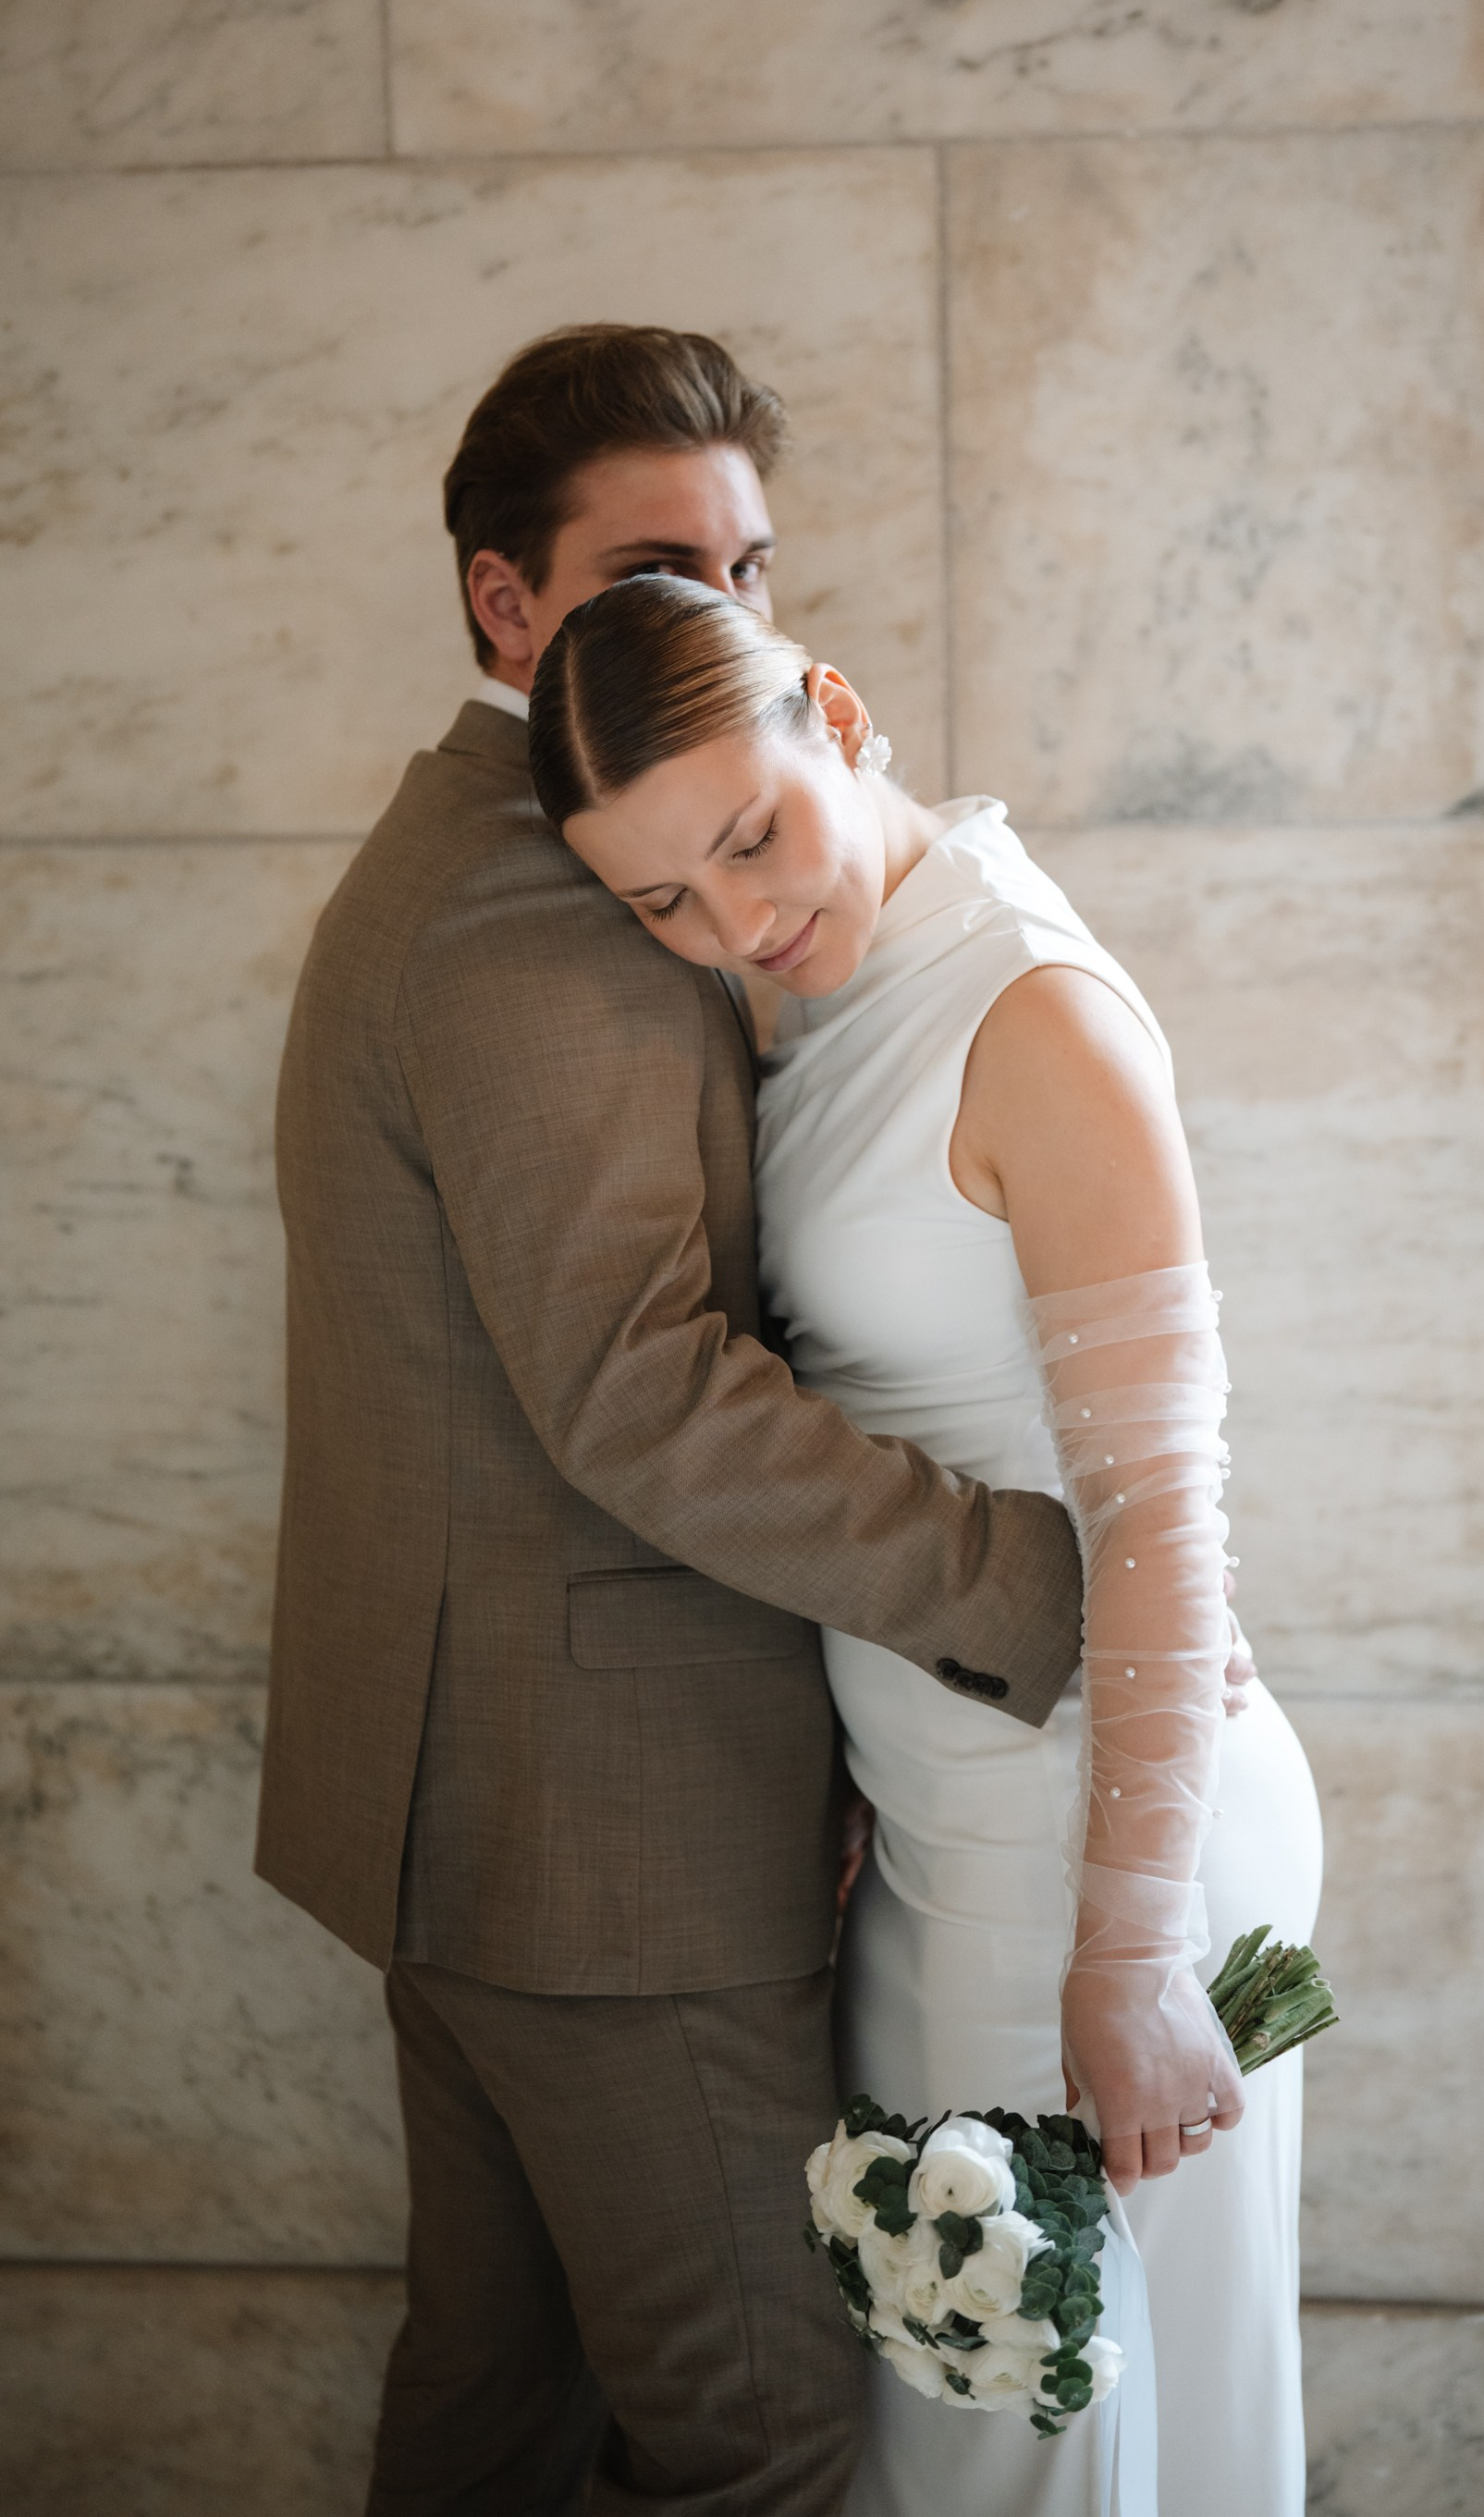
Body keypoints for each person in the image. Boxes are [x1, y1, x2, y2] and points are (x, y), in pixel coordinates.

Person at [255, 325, 1097, 2517]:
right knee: (761, 2450)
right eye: (649, 569)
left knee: (498, 2404)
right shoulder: (537, 912)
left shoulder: (532, 854)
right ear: (505, 606)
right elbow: (640, 1385)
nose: (709, 622)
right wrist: (1027, 1579)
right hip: (602, 1844)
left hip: (504, 1815)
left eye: (743, 569)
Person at [530, 575, 1326, 2517]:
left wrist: (1129, 1958)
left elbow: (1160, 1504)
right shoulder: (836, 988)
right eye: (665, 905)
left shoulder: (1029, 1009)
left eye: (750, 840)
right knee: (1011, 2441)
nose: (738, 926)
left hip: (1091, 1848)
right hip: (950, 1819)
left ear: (837, 710)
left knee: (1032, 2454)